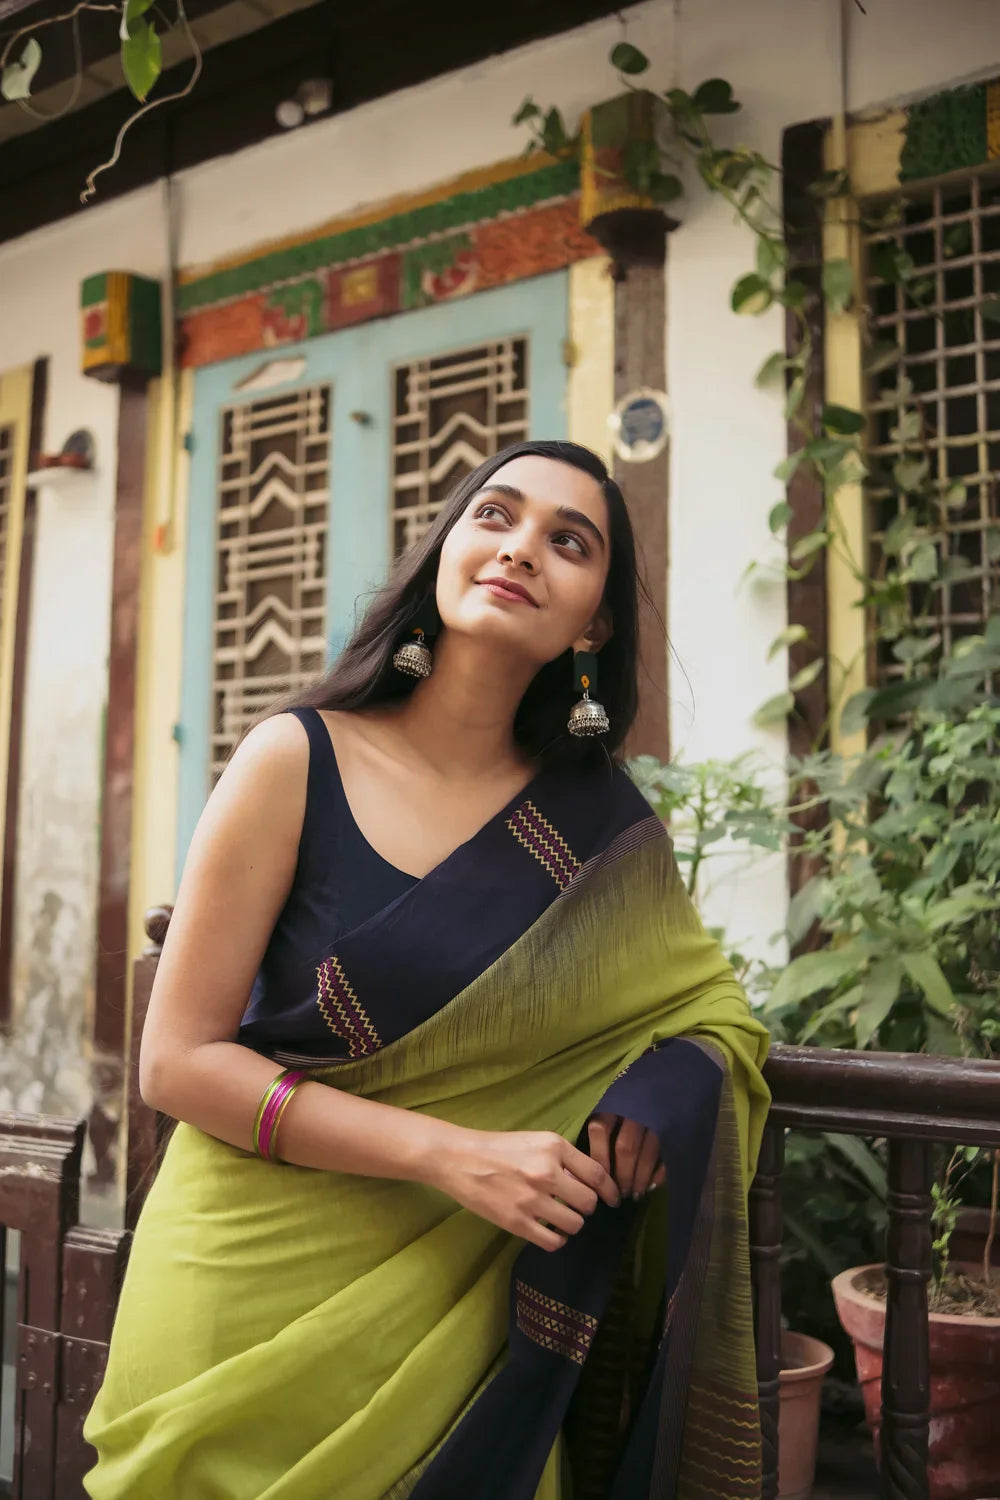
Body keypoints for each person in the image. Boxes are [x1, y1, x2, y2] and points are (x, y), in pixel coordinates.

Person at [84, 440, 770, 1500]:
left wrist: (662, 1089)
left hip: (467, 1312)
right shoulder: (294, 757)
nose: (521, 547)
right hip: (241, 1293)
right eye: (493, 515)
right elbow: (175, 1065)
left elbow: (709, 1010)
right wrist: (451, 1154)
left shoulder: (600, 832)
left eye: (568, 540)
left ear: (593, 620)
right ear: (445, 550)